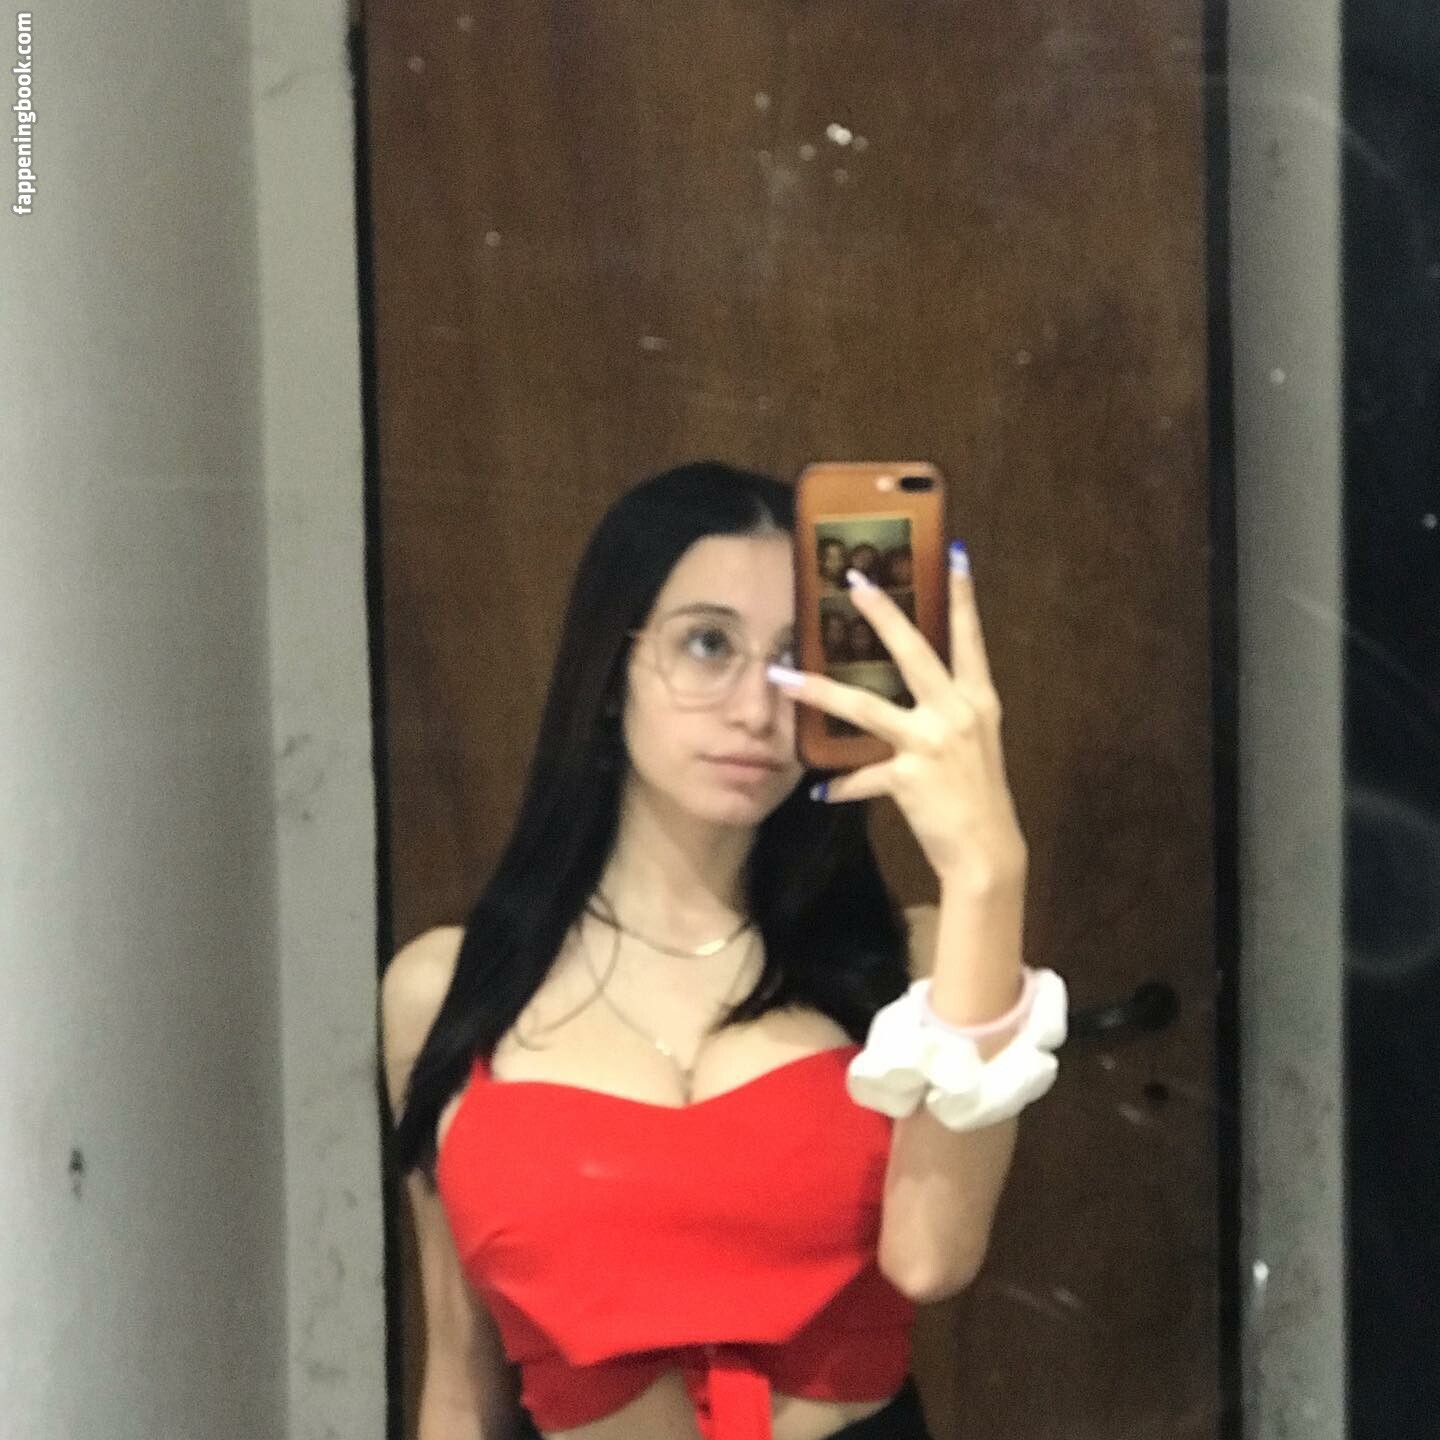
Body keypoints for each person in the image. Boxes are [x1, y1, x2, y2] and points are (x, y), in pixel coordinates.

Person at [381, 461, 1055, 1440]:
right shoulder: (444, 989)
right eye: (708, 645)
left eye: (795, 662)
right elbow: (459, 1379)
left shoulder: (911, 964)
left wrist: (988, 871)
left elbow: (932, 1259)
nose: (755, 710)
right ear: (611, 670)